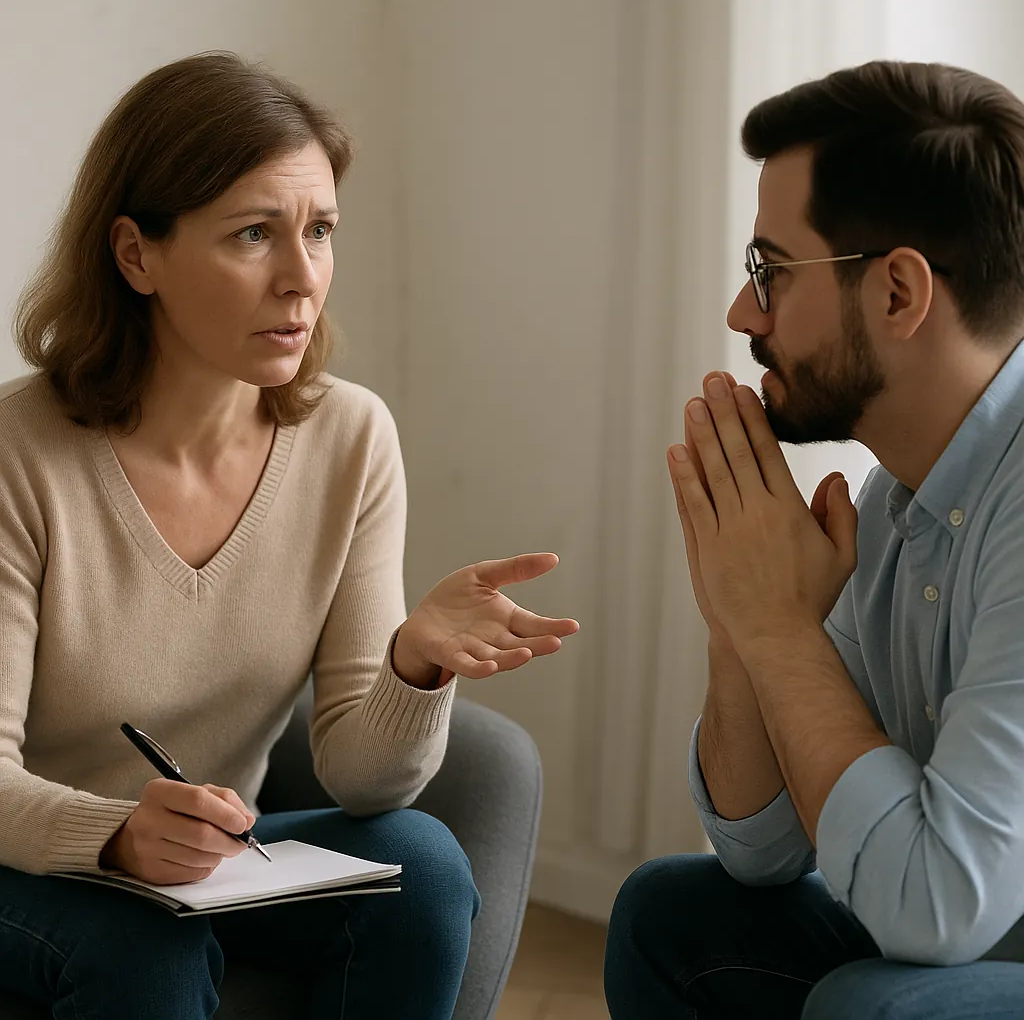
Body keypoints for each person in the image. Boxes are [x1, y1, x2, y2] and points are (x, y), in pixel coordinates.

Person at [0, 51, 578, 1020]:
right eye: (254, 234)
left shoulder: (350, 438)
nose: (302, 277)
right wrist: (112, 836)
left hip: (200, 856)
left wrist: (413, 664)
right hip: (27, 861)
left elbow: (362, 778)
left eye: (319, 230)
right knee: (145, 938)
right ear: (136, 254)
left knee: (420, 868)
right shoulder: (19, 453)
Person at [604, 60, 1024, 1019]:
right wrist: (739, 621)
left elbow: (938, 908)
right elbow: (762, 852)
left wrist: (784, 631)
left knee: (876, 1004)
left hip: (969, 938)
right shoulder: (891, 501)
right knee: (669, 917)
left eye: (771, 270)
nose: (742, 314)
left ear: (897, 293)